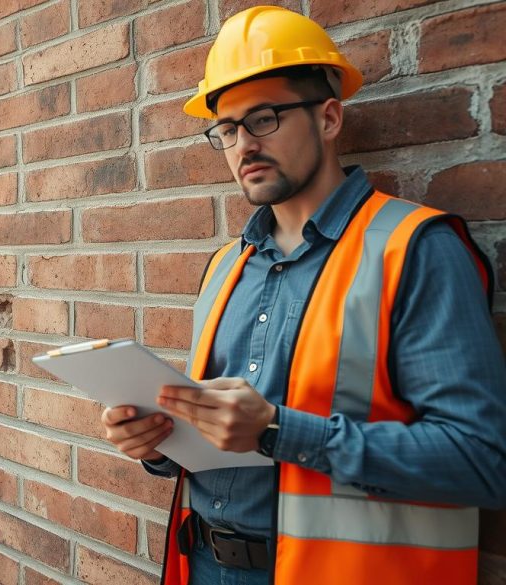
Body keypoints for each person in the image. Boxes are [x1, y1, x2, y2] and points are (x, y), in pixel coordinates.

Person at [100, 6, 506, 585]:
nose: (243, 145)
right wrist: (159, 443)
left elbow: (480, 462)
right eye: (228, 130)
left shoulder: (416, 249)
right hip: (206, 566)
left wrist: (275, 430)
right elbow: (225, 441)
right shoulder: (225, 267)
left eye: (264, 119)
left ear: (330, 118)